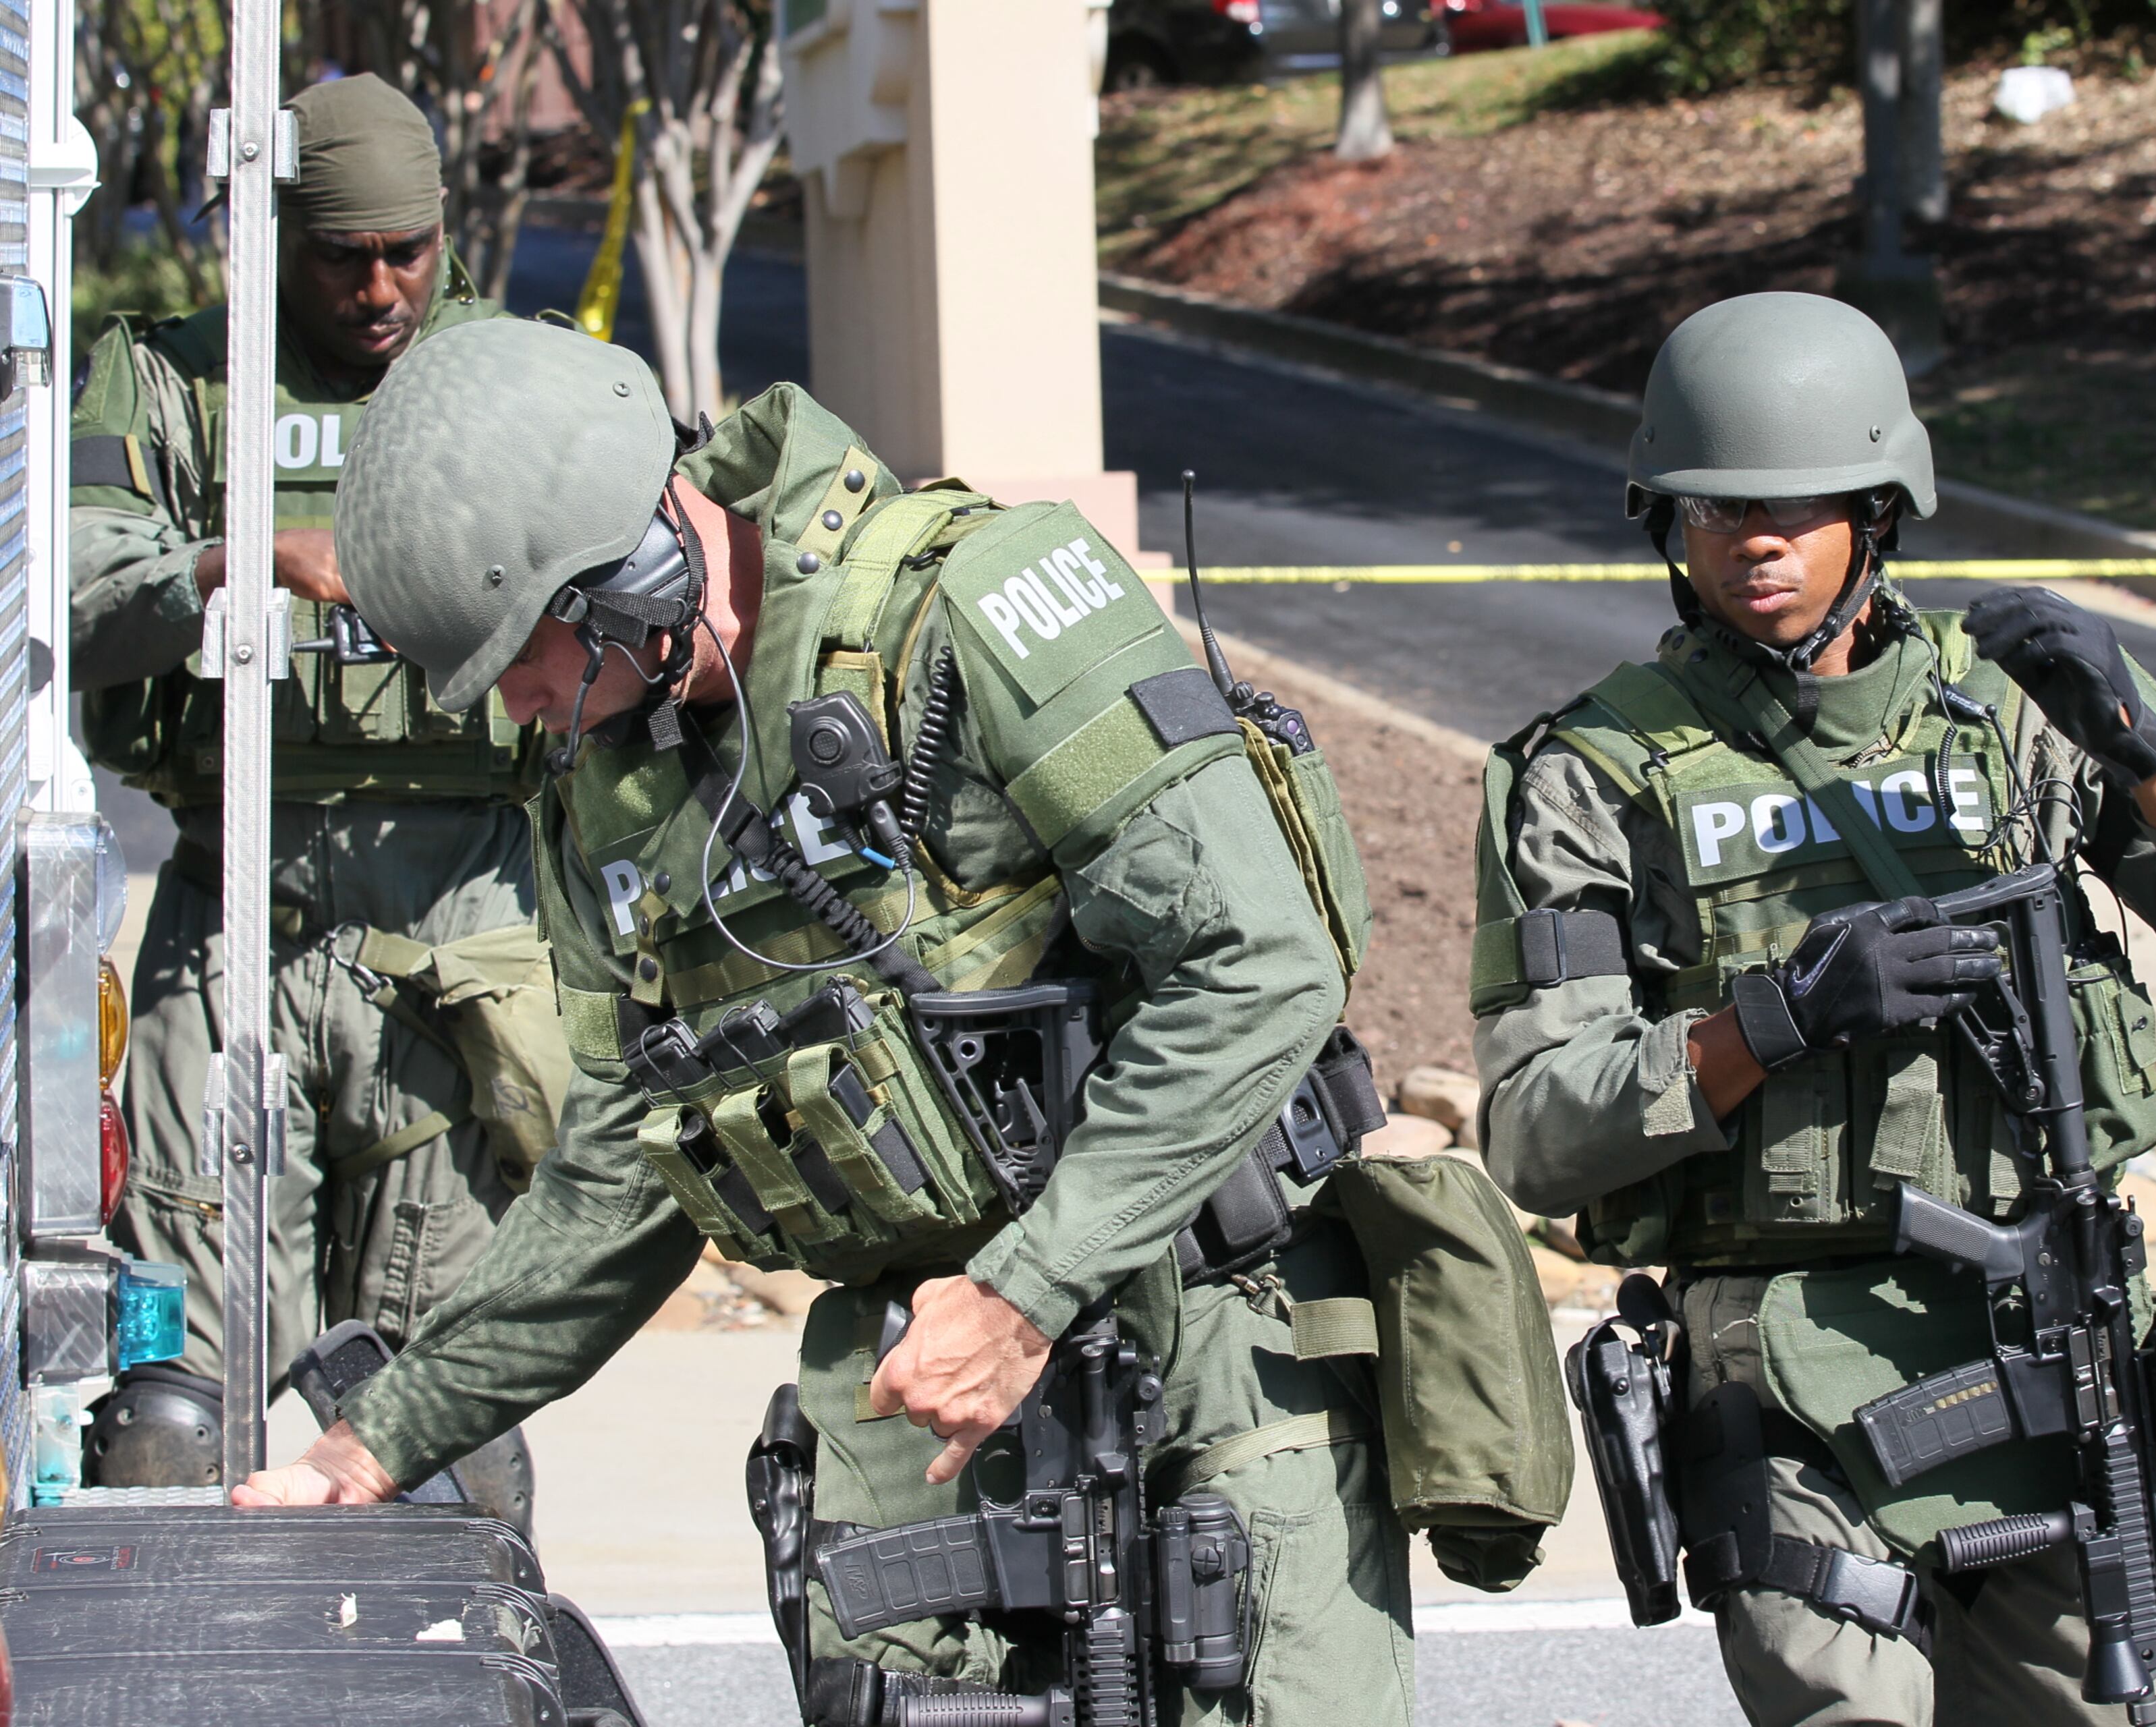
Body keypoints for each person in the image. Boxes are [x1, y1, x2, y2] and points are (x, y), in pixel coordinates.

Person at [234, 318, 1415, 1727]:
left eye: (521, 658)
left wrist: (1026, 1291)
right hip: (919, 1383)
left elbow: (1259, 961)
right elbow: (626, 1164)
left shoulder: (973, 602)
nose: (517, 710)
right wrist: (379, 1443)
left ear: (634, 569)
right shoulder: (602, 783)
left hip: (1206, 1327)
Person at [1473, 292, 2156, 1726]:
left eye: (1794, 506)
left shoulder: (2023, 711)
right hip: (1779, 1373)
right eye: (1713, 508)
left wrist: (2144, 752)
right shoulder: (1592, 775)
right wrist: (1773, 1022)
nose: (1753, 541)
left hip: (2047, 1340)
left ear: (1878, 510)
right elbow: (1536, 1131)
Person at [68, 73, 558, 1517]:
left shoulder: (522, 379)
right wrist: (243, 561)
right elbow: (74, 588)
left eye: (408, 250)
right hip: (234, 900)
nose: (381, 286)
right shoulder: (171, 381)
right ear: (280, 238)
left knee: (446, 1418)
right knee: (169, 1413)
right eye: (345, 254)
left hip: (459, 921)